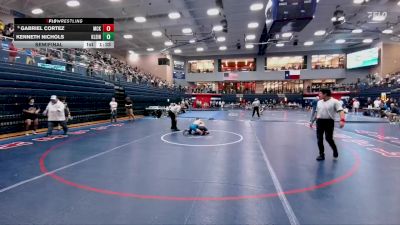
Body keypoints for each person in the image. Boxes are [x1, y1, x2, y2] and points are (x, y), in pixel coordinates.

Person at [314, 89, 345, 161]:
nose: (319, 95)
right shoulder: (319, 102)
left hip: (329, 121)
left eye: (320, 93)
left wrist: (342, 120)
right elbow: (317, 111)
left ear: (325, 94)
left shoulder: (335, 102)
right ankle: (321, 154)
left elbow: (341, 111)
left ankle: (334, 149)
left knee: (328, 138)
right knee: (319, 139)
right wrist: (314, 120)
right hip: (319, 121)